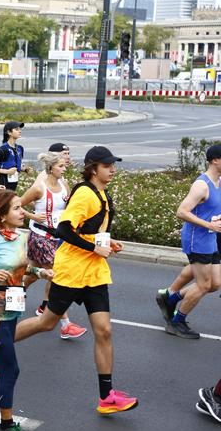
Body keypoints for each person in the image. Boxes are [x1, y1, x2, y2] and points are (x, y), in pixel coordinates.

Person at [13, 146, 139, 415]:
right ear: (94, 168)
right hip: (71, 269)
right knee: (46, 323)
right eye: (107, 165)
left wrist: (106, 242)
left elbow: (90, 230)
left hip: (93, 272)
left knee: (104, 330)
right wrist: (94, 247)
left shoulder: (102, 193)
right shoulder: (84, 193)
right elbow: (64, 230)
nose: (113, 169)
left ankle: (107, 397)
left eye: (113, 165)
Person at [0, 190, 53, 431]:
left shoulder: (20, 237)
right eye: (17, 208)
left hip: (14, 307)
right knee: (10, 368)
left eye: (21, 207)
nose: (22, 212)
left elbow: (21, 267)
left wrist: (40, 273)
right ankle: (6, 426)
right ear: (3, 216)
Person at [155, 144, 221, 339]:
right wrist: (209, 225)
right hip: (197, 240)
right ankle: (176, 322)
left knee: (215, 284)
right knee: (203, 285)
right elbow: (181, 212)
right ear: (215, 160)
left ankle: (171, 297)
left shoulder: (219, 182)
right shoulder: (202, 185)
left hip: (211, 239)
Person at [20, 151, 87, 339]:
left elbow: (68, 209)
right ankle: (65, 324)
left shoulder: (64, 186)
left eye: (64, 166)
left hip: (57, 237)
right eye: (61, 166)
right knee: (55, 275)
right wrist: (33, 216)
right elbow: (16, 204)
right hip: (40, 236)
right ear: (51, 168)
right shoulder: (39, 188)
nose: (64, 169)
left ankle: (17, 290)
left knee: (33, 271)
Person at [0, 121, 29, 191]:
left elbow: (15, 166)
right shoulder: (3, 149)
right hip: (3, 186)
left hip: (14, 185)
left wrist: (25, 169)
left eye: (20, 129)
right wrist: (7, 172)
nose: (20, 131)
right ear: (9, 132)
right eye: (16, 129)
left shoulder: (20, 148)